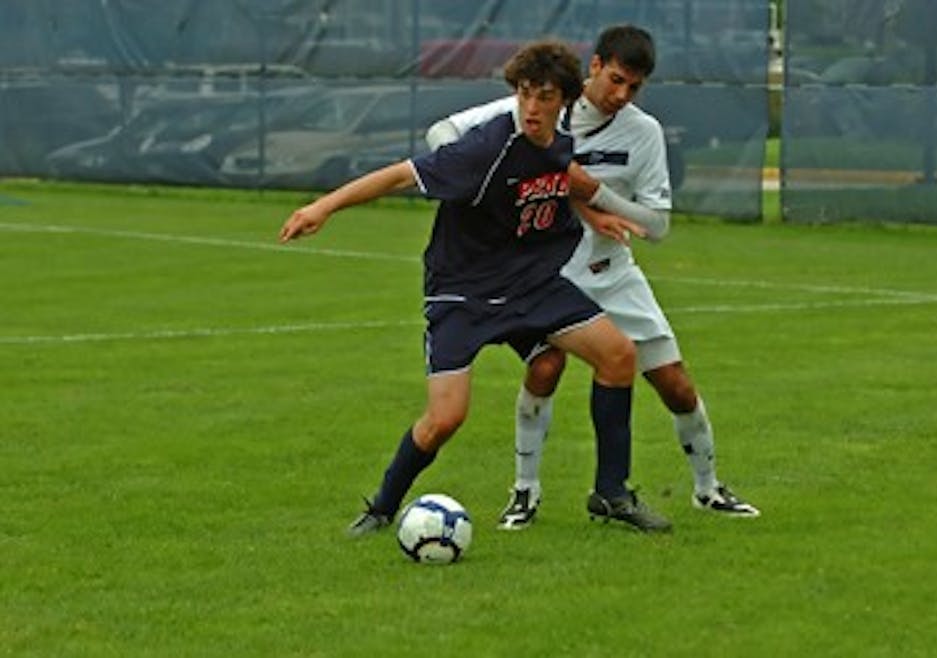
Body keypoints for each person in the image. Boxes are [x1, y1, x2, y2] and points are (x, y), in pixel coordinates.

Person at [279, 40, 671, 535]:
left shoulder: (560, 141)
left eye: (544, 97)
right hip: (464, 292)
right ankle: (381, 508)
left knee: (616, 356)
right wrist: (323, 207)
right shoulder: (487, 148)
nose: (531, 107)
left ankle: (611, 493)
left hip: (531, 285)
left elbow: (562, 174)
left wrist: (594, 209)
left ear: (566, 101)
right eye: (524, 94)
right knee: (445, 418)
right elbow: (401, 175)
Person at [426, 25, 760, 529]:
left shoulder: (643, 132)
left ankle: (708, 489)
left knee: (676, 386)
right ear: (596, 67)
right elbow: (441, 134)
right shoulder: (542, 106)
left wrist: (593, 196)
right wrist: (486, 181)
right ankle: (525, 492)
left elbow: (657, 224)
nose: (622, 95)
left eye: (635, 87)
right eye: (617, 80)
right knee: (545, 369)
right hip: (542, 270)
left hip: (611, 272)